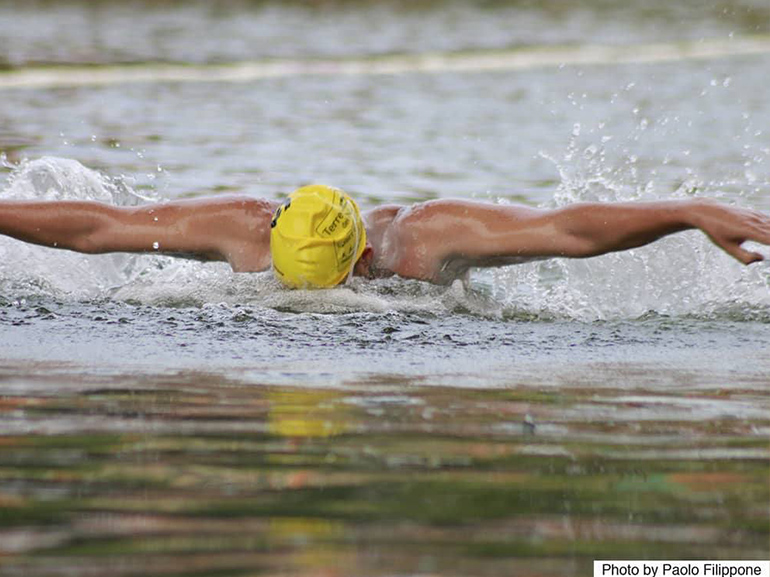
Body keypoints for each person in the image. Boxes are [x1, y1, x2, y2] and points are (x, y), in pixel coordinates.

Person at [0, 183, 768, 288]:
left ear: (362, 259)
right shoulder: (240, 228)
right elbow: (98, 228)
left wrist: (688, 209)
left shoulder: (425, 242)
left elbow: (564, 229)